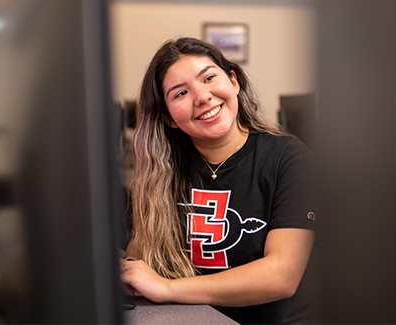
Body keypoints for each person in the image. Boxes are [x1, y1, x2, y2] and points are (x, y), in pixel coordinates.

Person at [121, 37, 316, 324]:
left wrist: (168, 289)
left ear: (233, 81)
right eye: (180, 93)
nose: (202, 97)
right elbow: (143, 259)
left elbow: (281, 276)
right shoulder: (161, 170)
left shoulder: (289, 158)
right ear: (169, 118)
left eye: (209, 77)